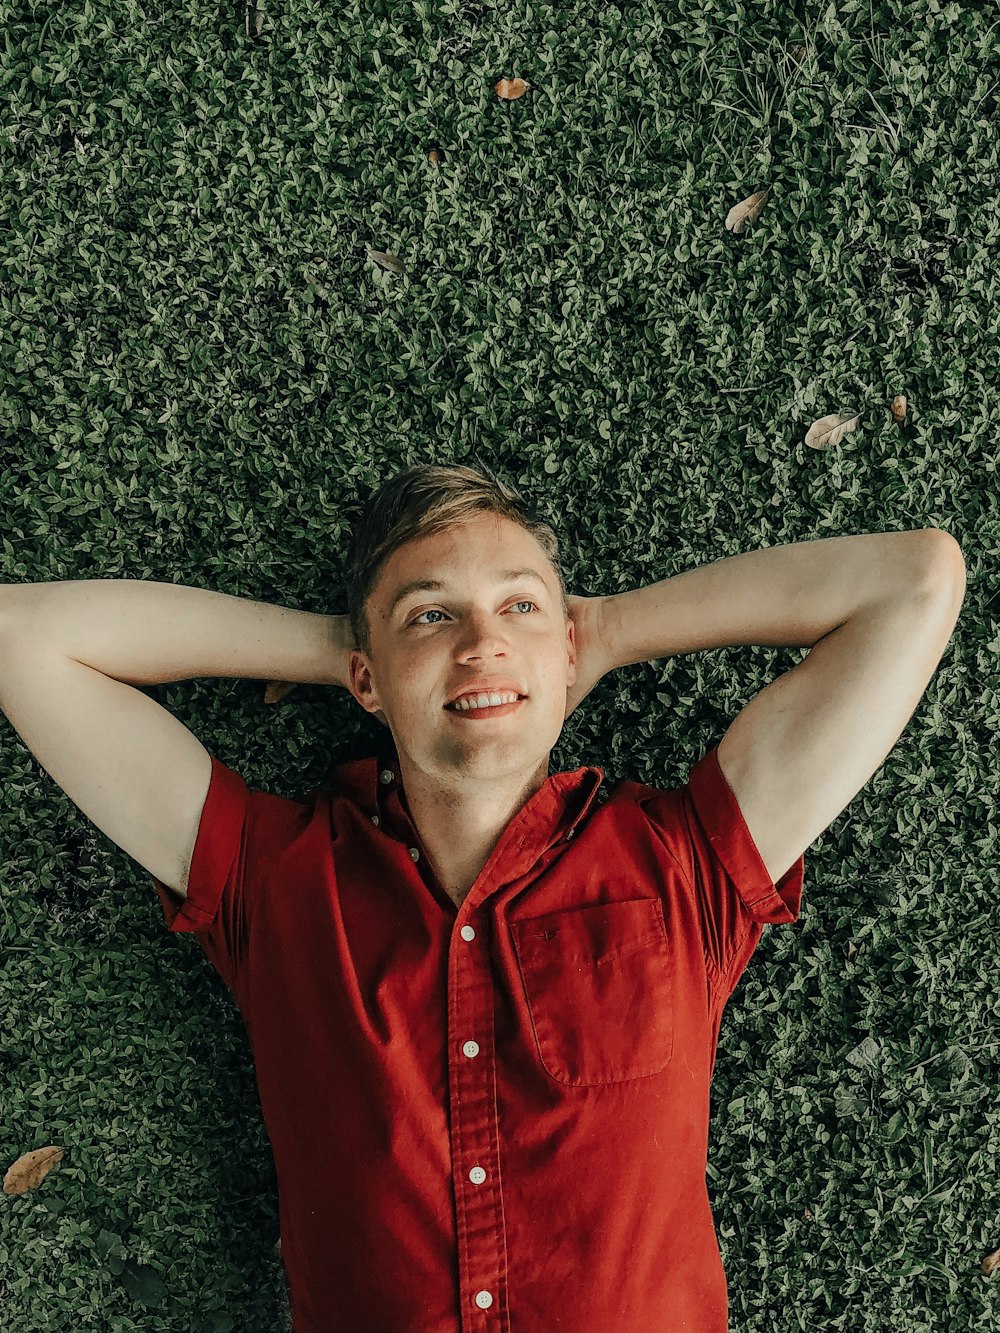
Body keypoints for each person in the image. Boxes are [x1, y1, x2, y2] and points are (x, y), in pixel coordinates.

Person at [0, 461, 965, 1331]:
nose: (481, 645)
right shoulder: (276, 881)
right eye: (432, 614)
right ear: (365, 679)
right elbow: (21, 636)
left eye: (519, 609)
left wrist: (606, 631)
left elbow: (915, 582)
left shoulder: (683, 863)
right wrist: (349, 649)